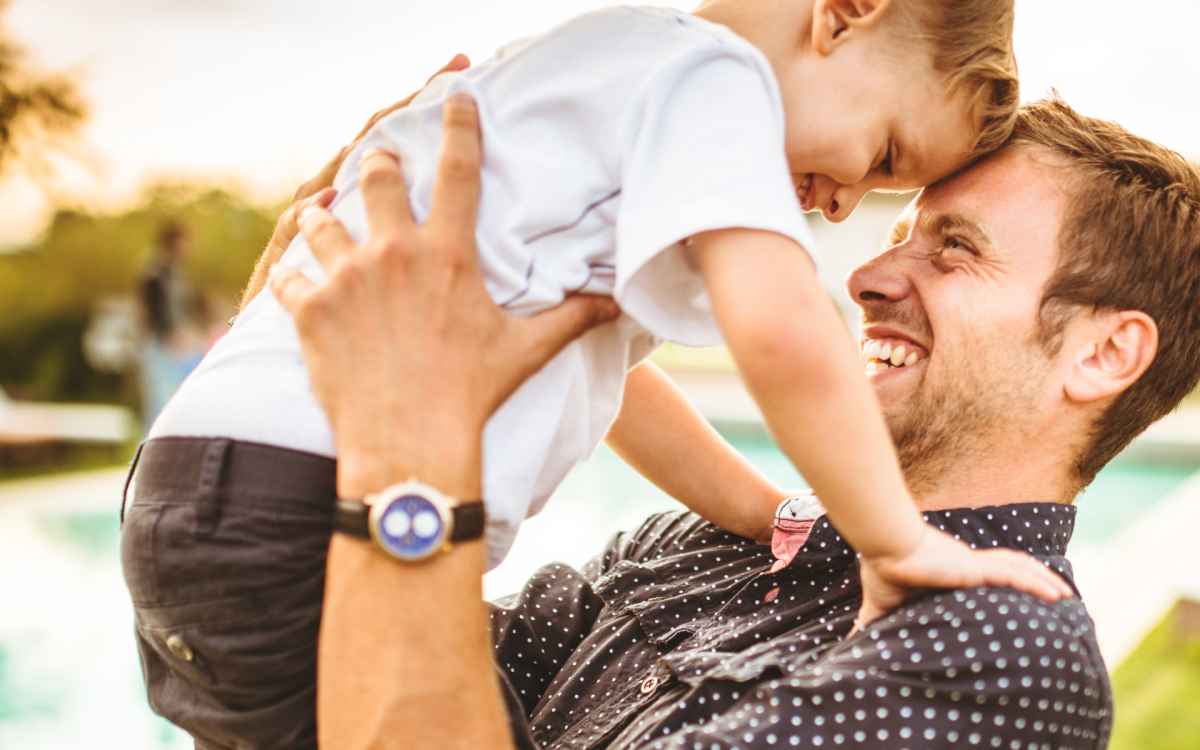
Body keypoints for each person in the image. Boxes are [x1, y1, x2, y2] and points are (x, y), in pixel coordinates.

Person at [270, 94, 1200, 749]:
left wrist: (408, 463)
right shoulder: (719, 538)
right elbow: (327, 680)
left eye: (955, 251)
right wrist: (286, 327)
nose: (866, 281)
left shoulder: (1003, 651)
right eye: (895, 236)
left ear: (1103, 354)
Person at [138, 220, 203, 428]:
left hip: (175, 342)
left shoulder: (177, 271)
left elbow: (183, 308)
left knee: (178, 396)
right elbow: (154, 308)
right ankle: (150, 451)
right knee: (159, 400)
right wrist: (171, 334)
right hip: (159, 343)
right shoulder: (154, 269)